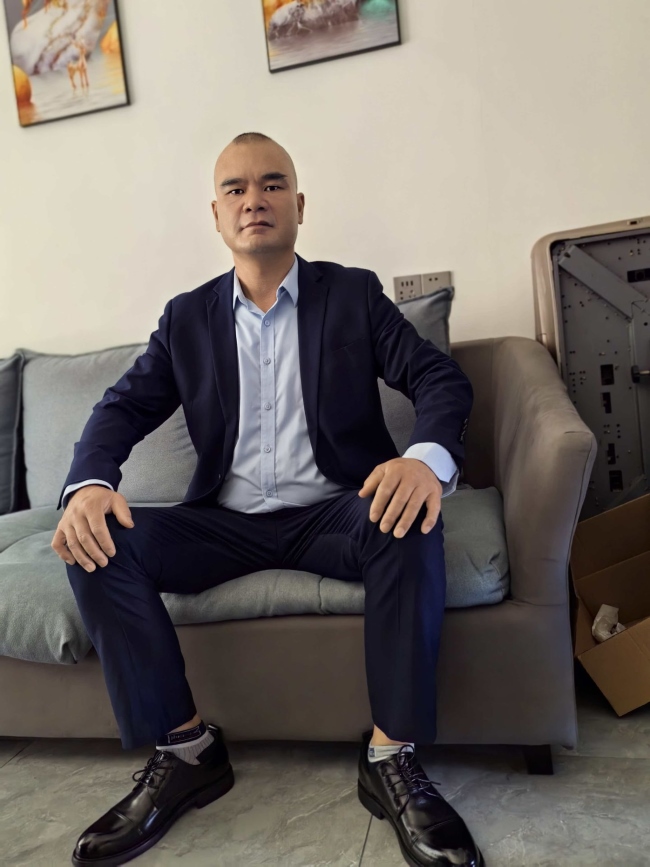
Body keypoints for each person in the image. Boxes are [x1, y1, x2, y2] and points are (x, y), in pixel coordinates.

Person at [51, 132, 482, 867]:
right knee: (94, 540)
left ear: (299, 205)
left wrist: (423, 461)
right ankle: (187, 751)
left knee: (409, 518)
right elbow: (120, 408)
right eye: (236, 188)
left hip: (335, 512)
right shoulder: (186, 318)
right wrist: (89, 484)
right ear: (217, 215)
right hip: (222, 524)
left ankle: (391, 758)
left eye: (273, 183)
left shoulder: (352, 294)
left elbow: (438, 378)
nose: (255, 199)